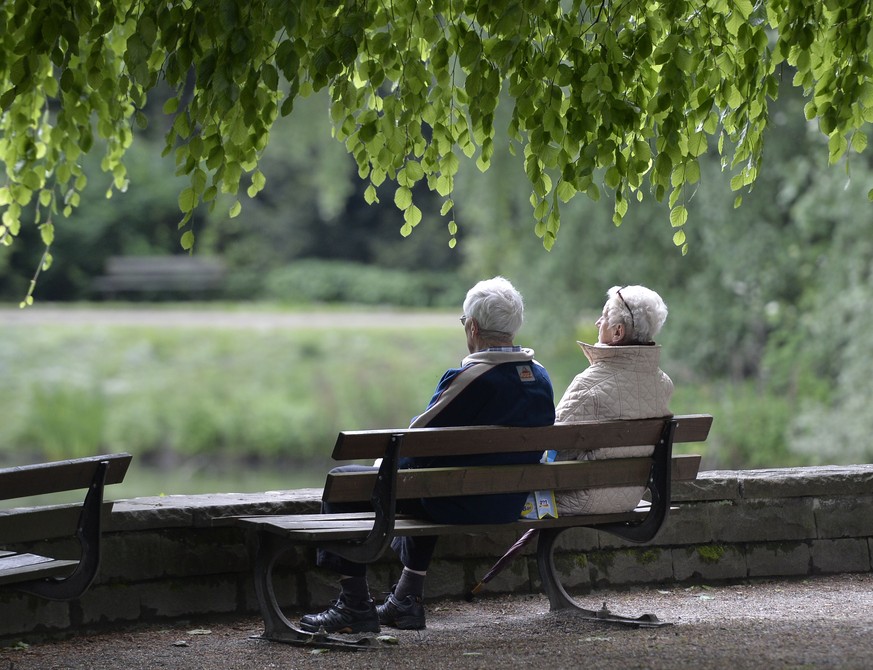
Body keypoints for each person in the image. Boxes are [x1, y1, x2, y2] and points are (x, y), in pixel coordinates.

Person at [299, 276, 556, 634]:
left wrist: (380, 472)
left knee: (349, 481)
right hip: (508, 502)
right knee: (430, 478)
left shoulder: (472, 378)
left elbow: (412, 439)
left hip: (461, 502)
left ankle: (354, 604)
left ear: (473, 327)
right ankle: (407, 598)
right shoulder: (540, 378)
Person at [551, 285, 673, 516]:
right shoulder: (664, 384)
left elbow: (552, 445)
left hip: (580, 498)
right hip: (629, 498)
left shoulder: (590, 384)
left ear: (617, 332)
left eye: (604, 315)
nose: (598, 322)